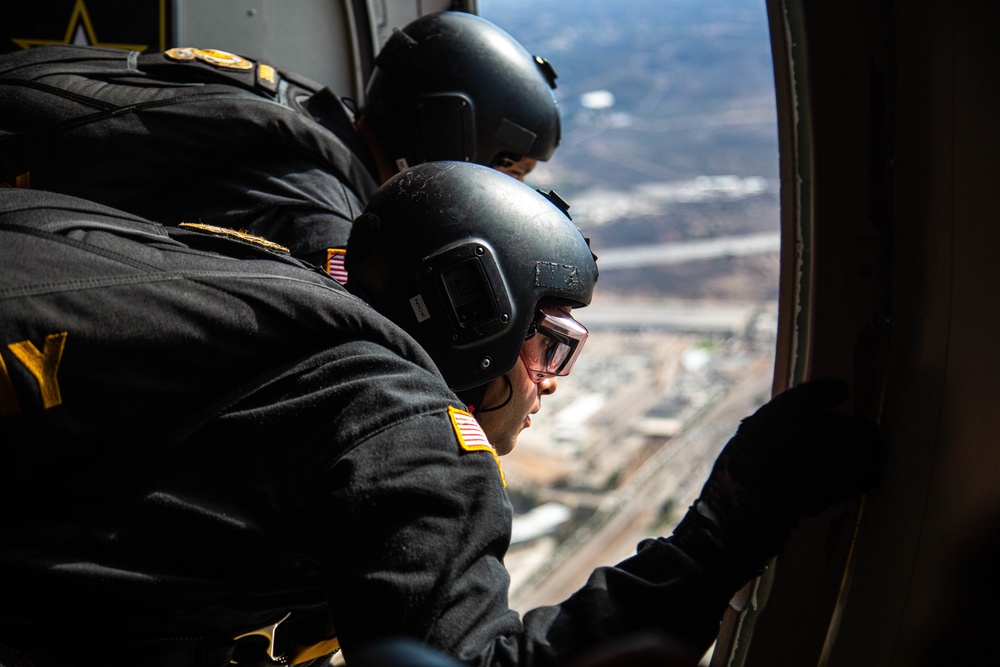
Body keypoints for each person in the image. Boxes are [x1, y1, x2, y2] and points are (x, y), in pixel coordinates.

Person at [0, 163, 882, 667]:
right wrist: (719, 536)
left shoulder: (280, 302)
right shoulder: (403, 425)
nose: (550, 381)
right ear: (480, 318)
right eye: (551, 344)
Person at [0, 11, 559, 277]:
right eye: (510, 169)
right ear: (449, 132)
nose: (507, 190)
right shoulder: (320, 217)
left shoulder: (304, 109)